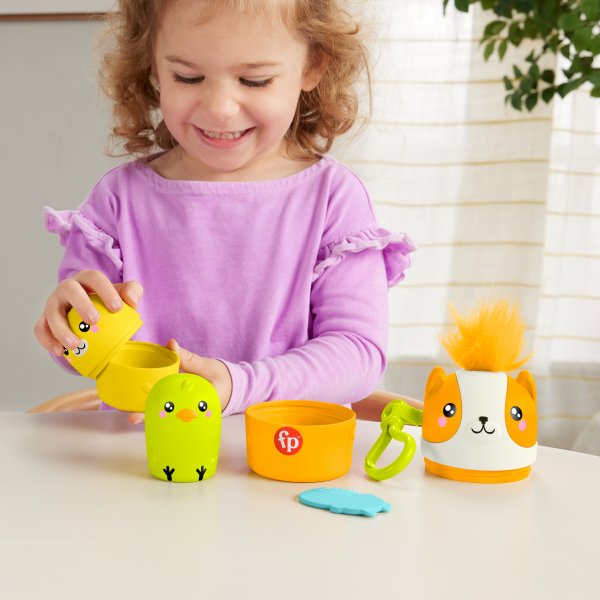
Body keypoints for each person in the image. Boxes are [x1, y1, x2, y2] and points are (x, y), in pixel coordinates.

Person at [34, 0, 416, 424]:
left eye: (255, 80)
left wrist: (238, 385)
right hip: (141, 459)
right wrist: (69, 328)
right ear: (153, 65)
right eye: (188, 77)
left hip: (285, 458)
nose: (219, 107)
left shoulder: (333, 199)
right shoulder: (118, 200)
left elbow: (358, 355)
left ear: (312, 65)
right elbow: (82, 354)